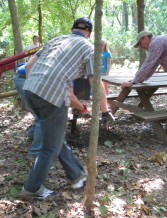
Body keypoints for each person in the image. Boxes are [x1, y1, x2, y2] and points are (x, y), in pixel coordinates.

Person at [19, 17, 106, 200]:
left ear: (71, 29)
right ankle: (31, 188)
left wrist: (36, 87)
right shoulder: (88, 48)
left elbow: (28, 67)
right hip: (52, 96)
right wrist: (103, 110)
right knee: (49, 149)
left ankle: (76, 174)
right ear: (89, 34)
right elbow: (95, 82)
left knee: (55, 136)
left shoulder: (56, 40)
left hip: (29, 90)